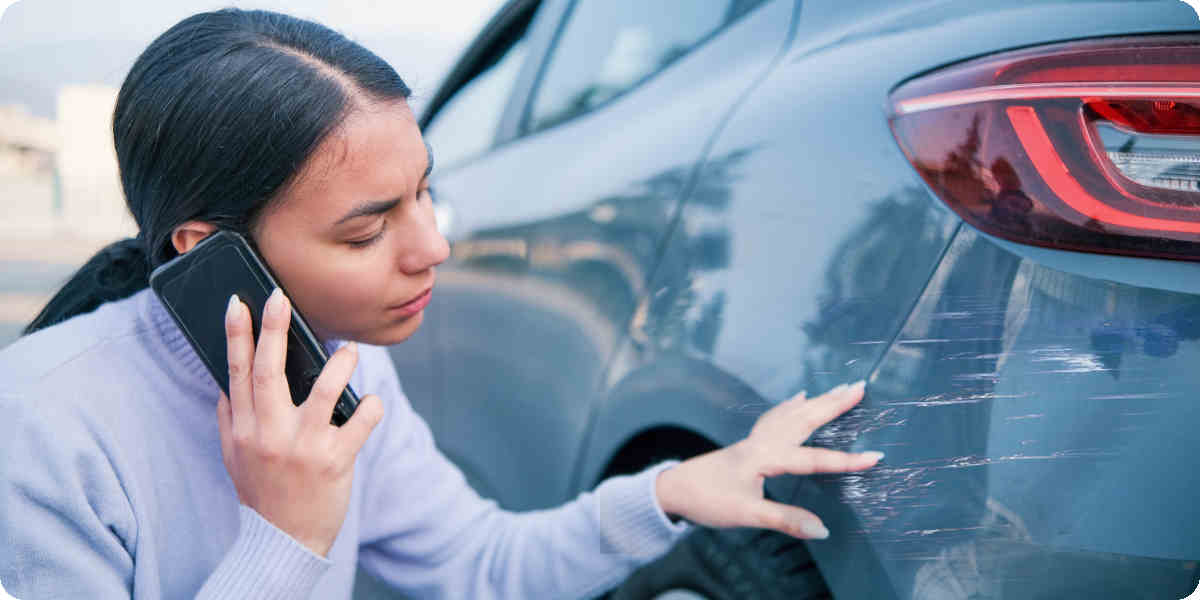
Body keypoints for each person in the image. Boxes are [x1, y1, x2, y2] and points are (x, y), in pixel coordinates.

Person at [0, 8, 882, 599]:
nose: (434, 248)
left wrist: (678, 491)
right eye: (366, 230)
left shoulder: (340, 369)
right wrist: (287, 533)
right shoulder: (41, 428)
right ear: (208, 253)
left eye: (424, 193)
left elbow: (478, 562)